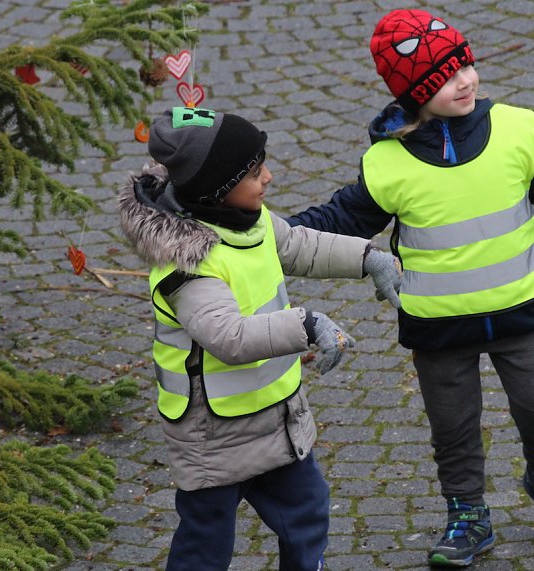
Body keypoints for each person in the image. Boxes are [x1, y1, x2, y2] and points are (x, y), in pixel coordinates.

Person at [286, 8, 534, 568]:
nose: (466, 81)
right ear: (415, 94)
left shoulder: (517, 127)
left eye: (466, 65)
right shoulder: (388, 163)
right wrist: (278, 237)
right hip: (438, 327)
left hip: (520, 312)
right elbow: (343, 217)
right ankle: (468, 513)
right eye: (445, 77)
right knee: (453, 428)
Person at [118, 106, 402, 571]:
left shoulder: (250, 220)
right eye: (254, 172)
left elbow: (298, 245)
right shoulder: (188, 264)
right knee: (205, 548)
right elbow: (228, 337)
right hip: (213, 434)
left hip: (275, 415)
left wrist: (366, 257)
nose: (268, 177)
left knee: (307, 514)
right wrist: (306, 325)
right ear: (218, 189)